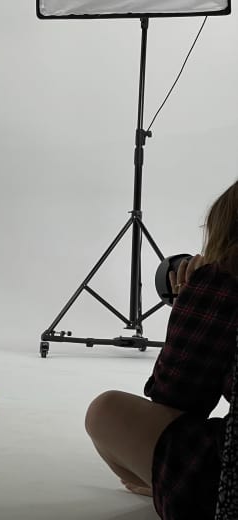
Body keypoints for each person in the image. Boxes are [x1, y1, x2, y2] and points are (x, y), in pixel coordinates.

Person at [84, 180, 238, 520]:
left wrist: (193, 301)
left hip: (228, 490)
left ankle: (158, 485)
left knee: (104, 411)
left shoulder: (224, 281)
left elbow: (177, 398)